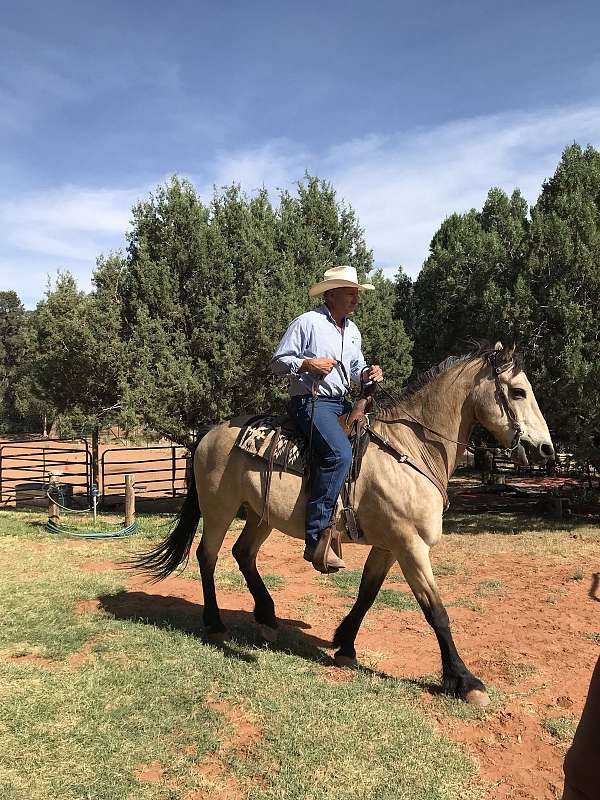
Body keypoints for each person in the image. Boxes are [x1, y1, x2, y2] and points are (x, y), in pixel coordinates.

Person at [270, 265, 383, 573]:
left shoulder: (353, 330)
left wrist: (369, 374)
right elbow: (277, 362)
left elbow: (357, 370)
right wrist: (307, 363)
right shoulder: (307, 322)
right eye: (350, 293)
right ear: (331, 295)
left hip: (341, 402)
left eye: (357, 293)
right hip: (310, 401)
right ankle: (317, 537)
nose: (355, 299)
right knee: (338, 454)